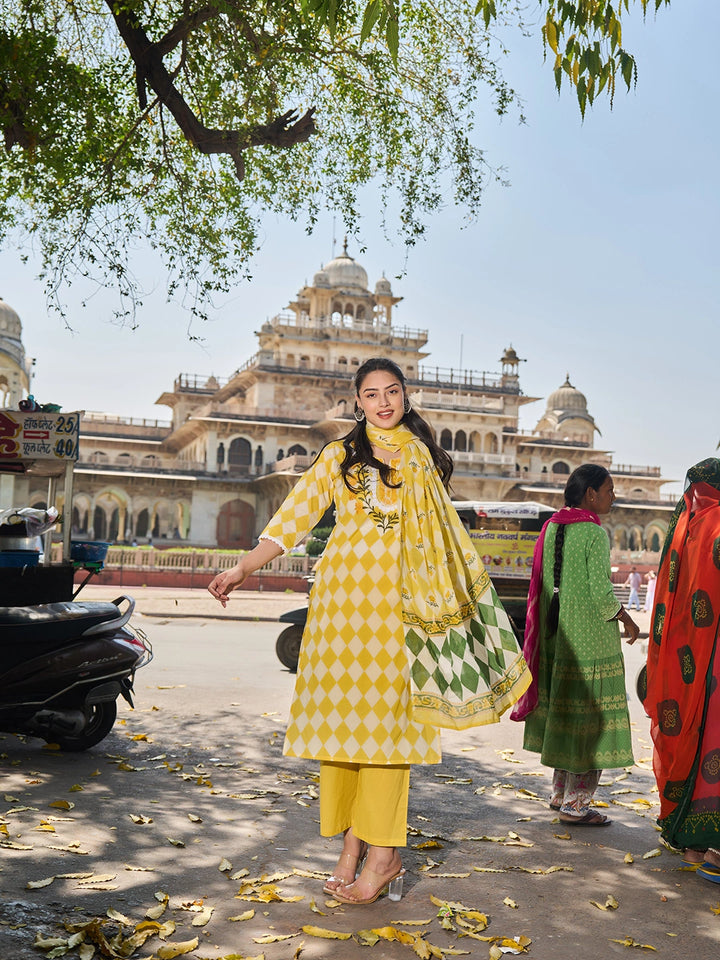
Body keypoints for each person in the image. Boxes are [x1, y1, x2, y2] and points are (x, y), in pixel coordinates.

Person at [208, 357, 530, 905]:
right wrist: (244, 566)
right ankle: (352, 848)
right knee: (345, 736)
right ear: (357, 401)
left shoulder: (420, 459)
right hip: (340, 611)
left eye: (393, 391)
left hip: (399, 613)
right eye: (372, 393)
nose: (383, 402)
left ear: (406, 396)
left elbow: (442, 536)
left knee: (388, 736)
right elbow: (294, 518)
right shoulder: (339, 455)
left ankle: (383, 856)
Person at [511, 464, 639, 826]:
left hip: (559, 639)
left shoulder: (552, 527)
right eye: (610, 490)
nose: (614, 497)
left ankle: (559, 794)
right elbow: (602, 594)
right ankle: (577, 804)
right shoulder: (594, 534)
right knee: (591, 724)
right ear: (591, 495)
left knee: (566, 719)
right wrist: (627, 618)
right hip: (592, 644)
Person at [645, 458, 720, 883]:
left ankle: (692, 844)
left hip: (685, 661)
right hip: (716, 656)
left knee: (695, 739)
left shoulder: (684, 526)